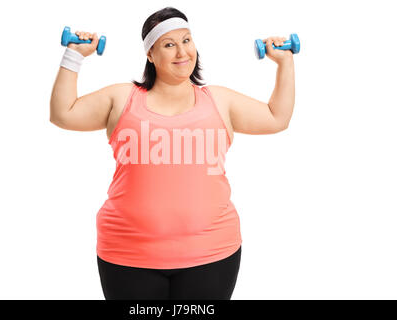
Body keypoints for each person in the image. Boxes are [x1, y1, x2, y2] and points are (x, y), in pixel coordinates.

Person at [50, 7, 295, 300]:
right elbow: (62, 114)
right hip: (127, 254)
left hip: (211, 253)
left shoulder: (220, 101)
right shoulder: (121, 98)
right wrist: (74, 55)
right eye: (169, 44)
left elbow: (276, 117)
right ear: (150, 55)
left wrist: (285, 63)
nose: (182, 52)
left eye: (187, 40)